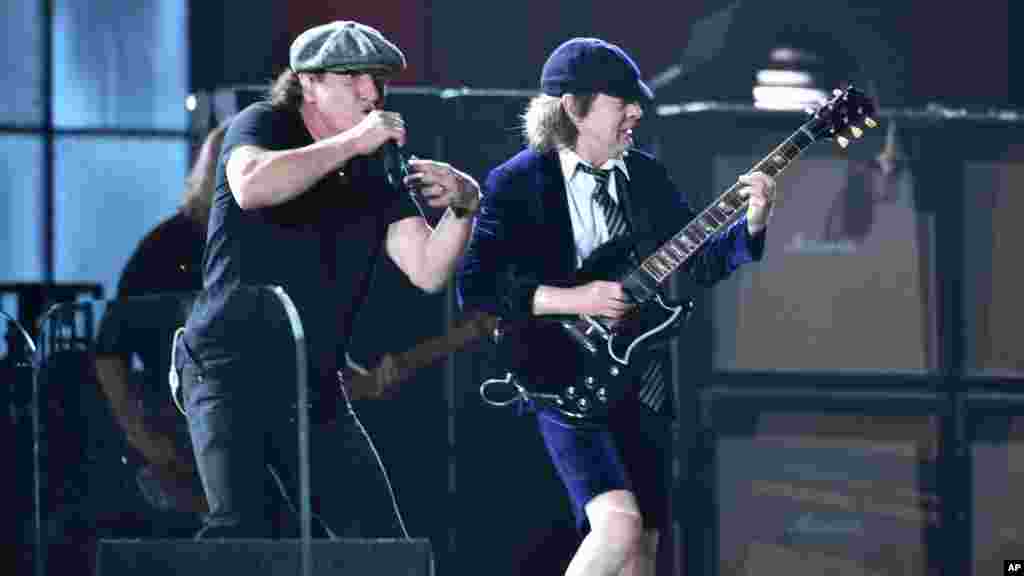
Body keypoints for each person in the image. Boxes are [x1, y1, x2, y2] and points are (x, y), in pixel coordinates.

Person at [456, 38, 776, 576]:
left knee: (642, 550)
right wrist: (571, 298)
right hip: (558, 378)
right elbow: (477, 287)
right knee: (617, 527)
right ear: (572, 107)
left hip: (639, 381)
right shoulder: (517, 182)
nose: (637, 111)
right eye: (621, 100)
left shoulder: (646, 177)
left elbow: (694, 264)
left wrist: (754, 222)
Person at [176, 20, 480, 538]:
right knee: (241, 530)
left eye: (377, 79)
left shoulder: (376, 161)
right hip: (228, 369)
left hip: (312, 382)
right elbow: (250, 186)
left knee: (380, 542)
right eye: (352, 76)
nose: (371, 91)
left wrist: (466, 205)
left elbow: (427, 269)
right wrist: (353, 142)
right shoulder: (264, 124)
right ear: (308, 83)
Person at [94, 120, 230, 526]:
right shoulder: (165, 246)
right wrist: (143, 436)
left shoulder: (273, 241)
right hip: (180, 435)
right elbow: (108, 351)